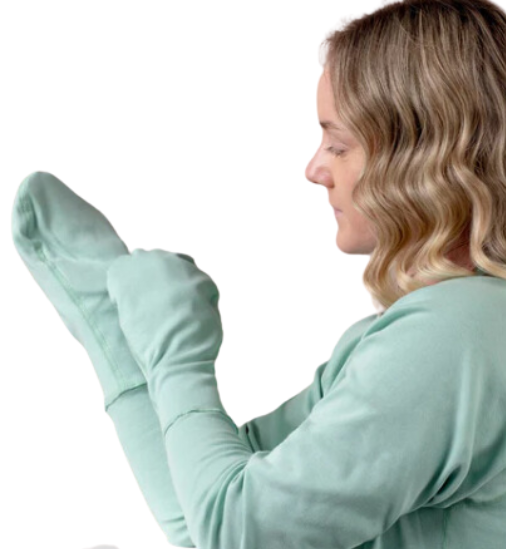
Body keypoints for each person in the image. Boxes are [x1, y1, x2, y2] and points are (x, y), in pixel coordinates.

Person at [11, 0, 506, 547]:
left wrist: (178, 352)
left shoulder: (451, 336)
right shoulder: (441, 328)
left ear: (422, 153)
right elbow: (199, 509)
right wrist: (121, 349)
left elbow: (240, 531)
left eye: (338, 144)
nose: (315, 169)